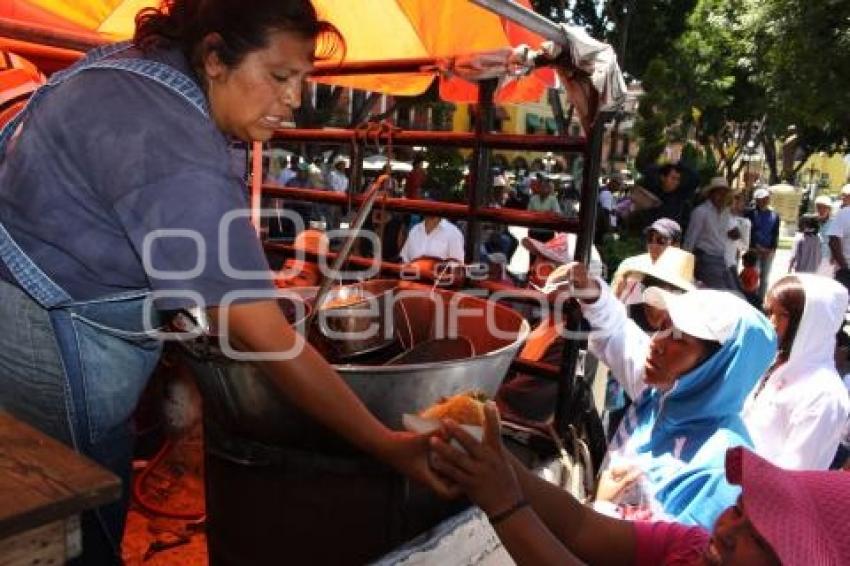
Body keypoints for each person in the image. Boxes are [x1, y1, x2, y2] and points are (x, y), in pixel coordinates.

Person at [0, 2, 452, 562]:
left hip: (45, 311)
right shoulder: (172, 140)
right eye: (279, 77)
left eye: (302, 80)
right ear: (215, 57)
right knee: (77, 531)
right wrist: (388, 445)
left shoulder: (138, 68)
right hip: (52, 347)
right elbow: (263, 334)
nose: (293, 99)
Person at [431, 406, 850, 566]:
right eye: (739, 510)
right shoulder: (690, 548)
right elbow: (580, 527)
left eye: (758, 539)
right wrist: (494, 459)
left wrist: (505, 505)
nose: (725, 529)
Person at [541, 262, 776, 529]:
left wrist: (602, 511)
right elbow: (618, 333)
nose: (656, 343)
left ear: (716, 366)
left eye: (678, 339)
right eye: (663, 326)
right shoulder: (661, 394)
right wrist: (592, 292)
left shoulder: (719, 470)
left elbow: (678, 554)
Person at [742, 274, 850, 470]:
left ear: (812, 322)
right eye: (769, 312)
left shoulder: (823, 394)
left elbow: (793, 475)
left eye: (782, 315)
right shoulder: (777, 362)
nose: (771, 323)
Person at [683, 177, 740, 291]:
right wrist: (686, 266)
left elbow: (734, 235)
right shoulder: (701, 212)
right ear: (711, 194)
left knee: (736, 292)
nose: (722, 196)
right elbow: (690, 240)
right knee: (723, 294)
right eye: (719, 193)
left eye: (725, 193)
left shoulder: (725, 213)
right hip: (705, 259)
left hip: (722, 259)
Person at [611, 217, 682, 305]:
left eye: (661, 240)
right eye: (650, 238)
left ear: (676, 245)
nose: (653, 245)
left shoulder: (683, 273)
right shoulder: (630, 266)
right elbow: (613, 302)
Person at [746, 187, 781, 300]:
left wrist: (771, 249)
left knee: (765, 278)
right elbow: (750, 232)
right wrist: (757, 247)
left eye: (766, 198)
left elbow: (775, 234)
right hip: (755, 250)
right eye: (761, 198)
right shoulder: (750, 213)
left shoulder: (775, 215)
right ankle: (751, 297)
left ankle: (760, 299)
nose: (765, 200)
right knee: (753, 275)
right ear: (756, 200)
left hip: (768, 251)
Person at [399, 214, 465, 264]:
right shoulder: (414, 230)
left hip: (440, 281)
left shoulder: (453, 232)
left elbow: (457, 267)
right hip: (412, 280)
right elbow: (404, 260)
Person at [827, 184, 850, 291]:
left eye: (845, 196)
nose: (843, 198)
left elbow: (833, 241)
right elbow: (833, 241)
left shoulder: (843, 213)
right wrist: (844, 267)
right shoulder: (844, 213)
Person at [815, 194, 835, 276]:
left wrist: (833, 256)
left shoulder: (834, 223)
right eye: (819, 207)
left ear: (829, 209)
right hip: (813, 255)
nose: (821, 210)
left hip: (827, 257)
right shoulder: (812, 221)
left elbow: (835, 241)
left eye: (824, 207)